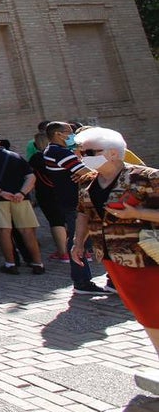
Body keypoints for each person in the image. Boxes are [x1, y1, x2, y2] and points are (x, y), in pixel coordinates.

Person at [71, 127, 159, 391]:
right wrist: (78, 242)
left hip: (146, 254)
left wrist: (137, 211)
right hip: (112, 255)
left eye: (88, 152)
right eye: (79, 152)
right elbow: (83, 213)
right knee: (144, 313)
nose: (81, 156)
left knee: (153, 310)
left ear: (111, 153)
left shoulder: (146, 177)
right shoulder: (87, 181)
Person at [43, 121, 113, 295]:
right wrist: (91, 172)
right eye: (70, 132)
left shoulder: (58, 151)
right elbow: (88, 172)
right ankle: (83, 281)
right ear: (59, 134)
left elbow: (84, 171)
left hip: (77, 201)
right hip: (76, 203)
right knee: (81, 240)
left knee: (90, 239)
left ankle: (107, 279)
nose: (73, 135)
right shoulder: (57, 151)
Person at [0, 132, 44, 275]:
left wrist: (0, 192)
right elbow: (31, 177)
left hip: (0, 199)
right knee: (27, 231)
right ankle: (38, 263)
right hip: (20, 199)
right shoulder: (15, 156)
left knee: (4, 232)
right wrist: (22, 193)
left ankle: (10, 264)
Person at [29, 132, 69, 262]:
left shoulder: (36, 158)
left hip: (46, 193)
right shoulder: (61, 154)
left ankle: (63, 252)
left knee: (56, 221)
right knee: (70, 219)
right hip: (64, 190)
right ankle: (80, 249)